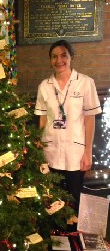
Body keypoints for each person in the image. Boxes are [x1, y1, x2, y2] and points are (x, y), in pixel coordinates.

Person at [34, 39, 102, 209]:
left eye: (63, 55)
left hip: (75, 153)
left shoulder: (86, 82)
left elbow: (89, 119)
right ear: (50, 60)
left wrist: (88, 152)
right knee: (52, 201)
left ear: (71, 56)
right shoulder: (44, 86)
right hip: (50, 151)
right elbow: (42, 120)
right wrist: (37, 151)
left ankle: (73, 234)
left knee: (74, 200)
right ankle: (56, 235)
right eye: (54, 57)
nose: (59, 60)